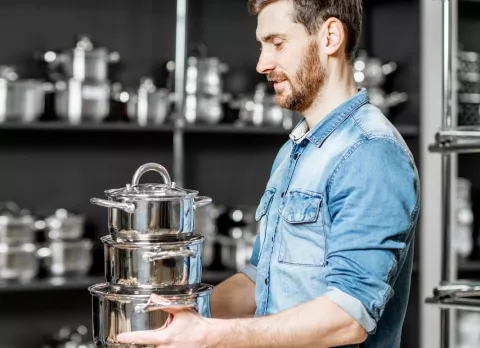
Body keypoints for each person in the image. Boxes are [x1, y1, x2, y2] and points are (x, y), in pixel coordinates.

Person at [118, 0, 420, 347]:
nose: (263, 64)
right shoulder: (297, 149)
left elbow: (348, 316)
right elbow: (262, 277)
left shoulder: (371, 152)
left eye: (278, 43)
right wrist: (174, 313)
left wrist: (211, 337)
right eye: (262, 45)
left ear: (331, 37)